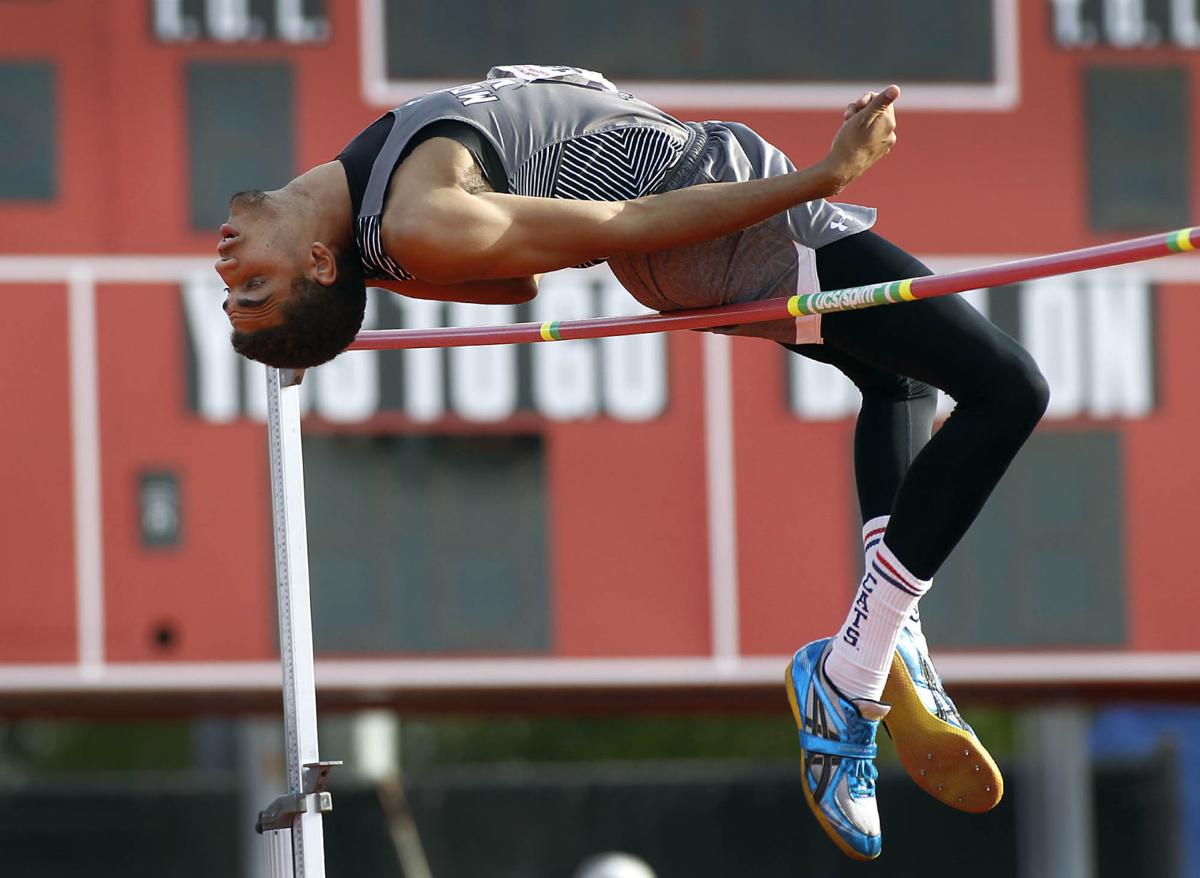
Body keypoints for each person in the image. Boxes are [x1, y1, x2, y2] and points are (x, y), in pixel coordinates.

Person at [215, 65, 1048, 860]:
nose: (225, 269)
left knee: (898, 380)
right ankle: (853, 671)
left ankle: (881, 645)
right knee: (1008, 389)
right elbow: (623, 225)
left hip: (702, 218)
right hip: (714, 225)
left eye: (235, 292)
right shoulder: (416, 220)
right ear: (318, 264)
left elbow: (515, 287)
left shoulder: (381, 213)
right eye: (253, 289)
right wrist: (826, 176)